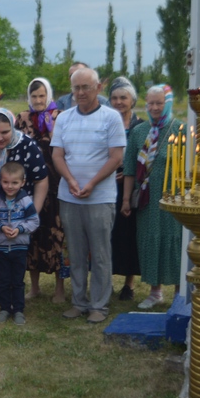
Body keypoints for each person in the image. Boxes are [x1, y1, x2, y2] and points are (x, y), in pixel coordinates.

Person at [51, 67, 126, 324]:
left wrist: (92, 183)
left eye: (86, 87)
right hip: (69, 196)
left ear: (98, 88)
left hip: (100, 197)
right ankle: (79, 302)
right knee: (76, 252)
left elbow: (116, 157)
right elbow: (57, 155)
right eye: (76, 88)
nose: (81, 92)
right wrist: (71, 181)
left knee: (100, 253)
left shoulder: (111, 118)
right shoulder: (63, 118)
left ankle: (99, 305)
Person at [0, 108, 49, 308]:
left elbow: (41, 179)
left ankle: (14, 300)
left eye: (5, 132)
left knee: (13, 255)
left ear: (13, 128)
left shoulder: (27, 145)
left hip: (19, 210)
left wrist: (34, 213)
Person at [122, 84, 182, 309]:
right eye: (151, 103)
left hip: (173, 199)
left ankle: (179, 294)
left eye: (160, 103)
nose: (155, 107)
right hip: (147, 201)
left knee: (173, 243)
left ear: (168, 103)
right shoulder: (139, 132)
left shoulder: (181, 130)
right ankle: (155, 291)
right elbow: (129, 168)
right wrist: (126, 200)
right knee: (150, 242)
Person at [14, 78, 67, 303]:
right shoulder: (22, 119)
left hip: (56, 186)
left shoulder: (60, 117)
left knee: (56, 235)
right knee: (31, 236)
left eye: (42, 96)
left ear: (49, 96)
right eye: (34, 96)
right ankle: (34, 287)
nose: (38, 100)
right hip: (28, 186)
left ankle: (59, 288)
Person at [0, 161, 40, 326]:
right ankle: (4, 308)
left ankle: (18, 310)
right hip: (0, 247)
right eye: (5, 182)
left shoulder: (26, 201)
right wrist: (1, 227)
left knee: (18, 280)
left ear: (22, 182)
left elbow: (34, 221)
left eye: (14, 182)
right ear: (0, 181)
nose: (9, 186)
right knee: (3, 279)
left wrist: (19, 229)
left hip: (19, 247)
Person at [108, 77, 143, 300]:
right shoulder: (105, 123)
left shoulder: (141, 126)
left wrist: (130, 172)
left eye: (123, 97)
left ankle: (129, 284)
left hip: (131, 188)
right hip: (106, 186)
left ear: (132, 100)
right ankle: (106, 281)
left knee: (130, 235)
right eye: (115, 98)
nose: (119, 102)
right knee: (107, 234)